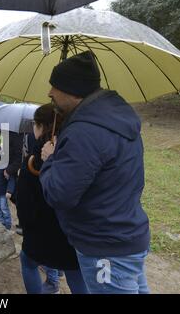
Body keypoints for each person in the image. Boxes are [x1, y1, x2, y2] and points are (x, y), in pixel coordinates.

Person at [40, 51, 150, 294]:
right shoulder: (115, 119)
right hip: (127, 236)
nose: (49, 93)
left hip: (105, 247)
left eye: (55, 87)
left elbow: (59, 195)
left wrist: (49, 160)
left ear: (73, 90)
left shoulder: (85, 132)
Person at [17, 103, 88, 294]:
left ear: (40, 126)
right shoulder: (78, 150)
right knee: (75, 272)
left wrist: (27, 226)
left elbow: (23, 200)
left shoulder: (34, 158)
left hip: (40, 232)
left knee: (27, 262)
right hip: (71, 233)